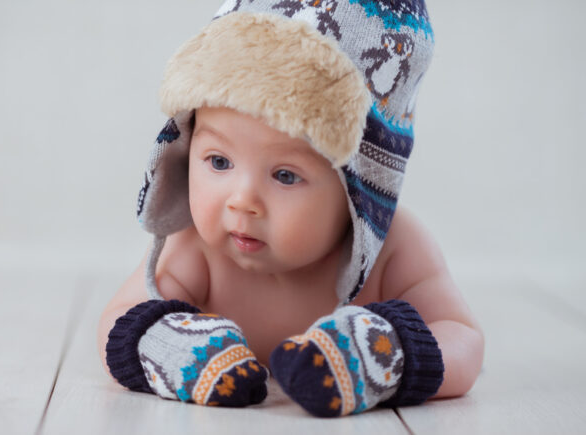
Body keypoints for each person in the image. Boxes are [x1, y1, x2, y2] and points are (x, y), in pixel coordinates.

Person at [97, 0, 483, 417]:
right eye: (219, 161)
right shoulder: (194, 247)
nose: (241, 200)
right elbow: (116, 323)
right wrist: (172, 346)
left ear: (359, 191)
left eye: (284, 175)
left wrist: (382, 354)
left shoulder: (397, 250)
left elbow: (463, 339)